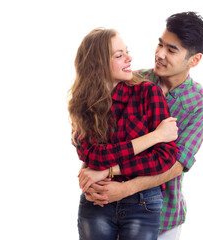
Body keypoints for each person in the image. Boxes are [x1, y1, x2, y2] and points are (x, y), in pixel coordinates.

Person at [81, 12, 203, 240]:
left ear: (194, 60)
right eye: (160, 44)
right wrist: (89, 170)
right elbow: (99, 132)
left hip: (162, 216)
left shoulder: (201, 105)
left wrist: (121, 185)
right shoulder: (133, 79)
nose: (160, 54)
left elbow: (175, 165)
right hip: (104, 206)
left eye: (171, 50)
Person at [68, 28, 181, 240]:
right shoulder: (82, 103)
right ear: (98, 64)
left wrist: (106, 171)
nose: (129, 58)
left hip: (143, 202)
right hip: (97, 200)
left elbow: (165, 157)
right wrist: (154, 136)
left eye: (126, 52)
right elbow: (93, 156)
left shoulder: (147, 93)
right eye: (119, 55)